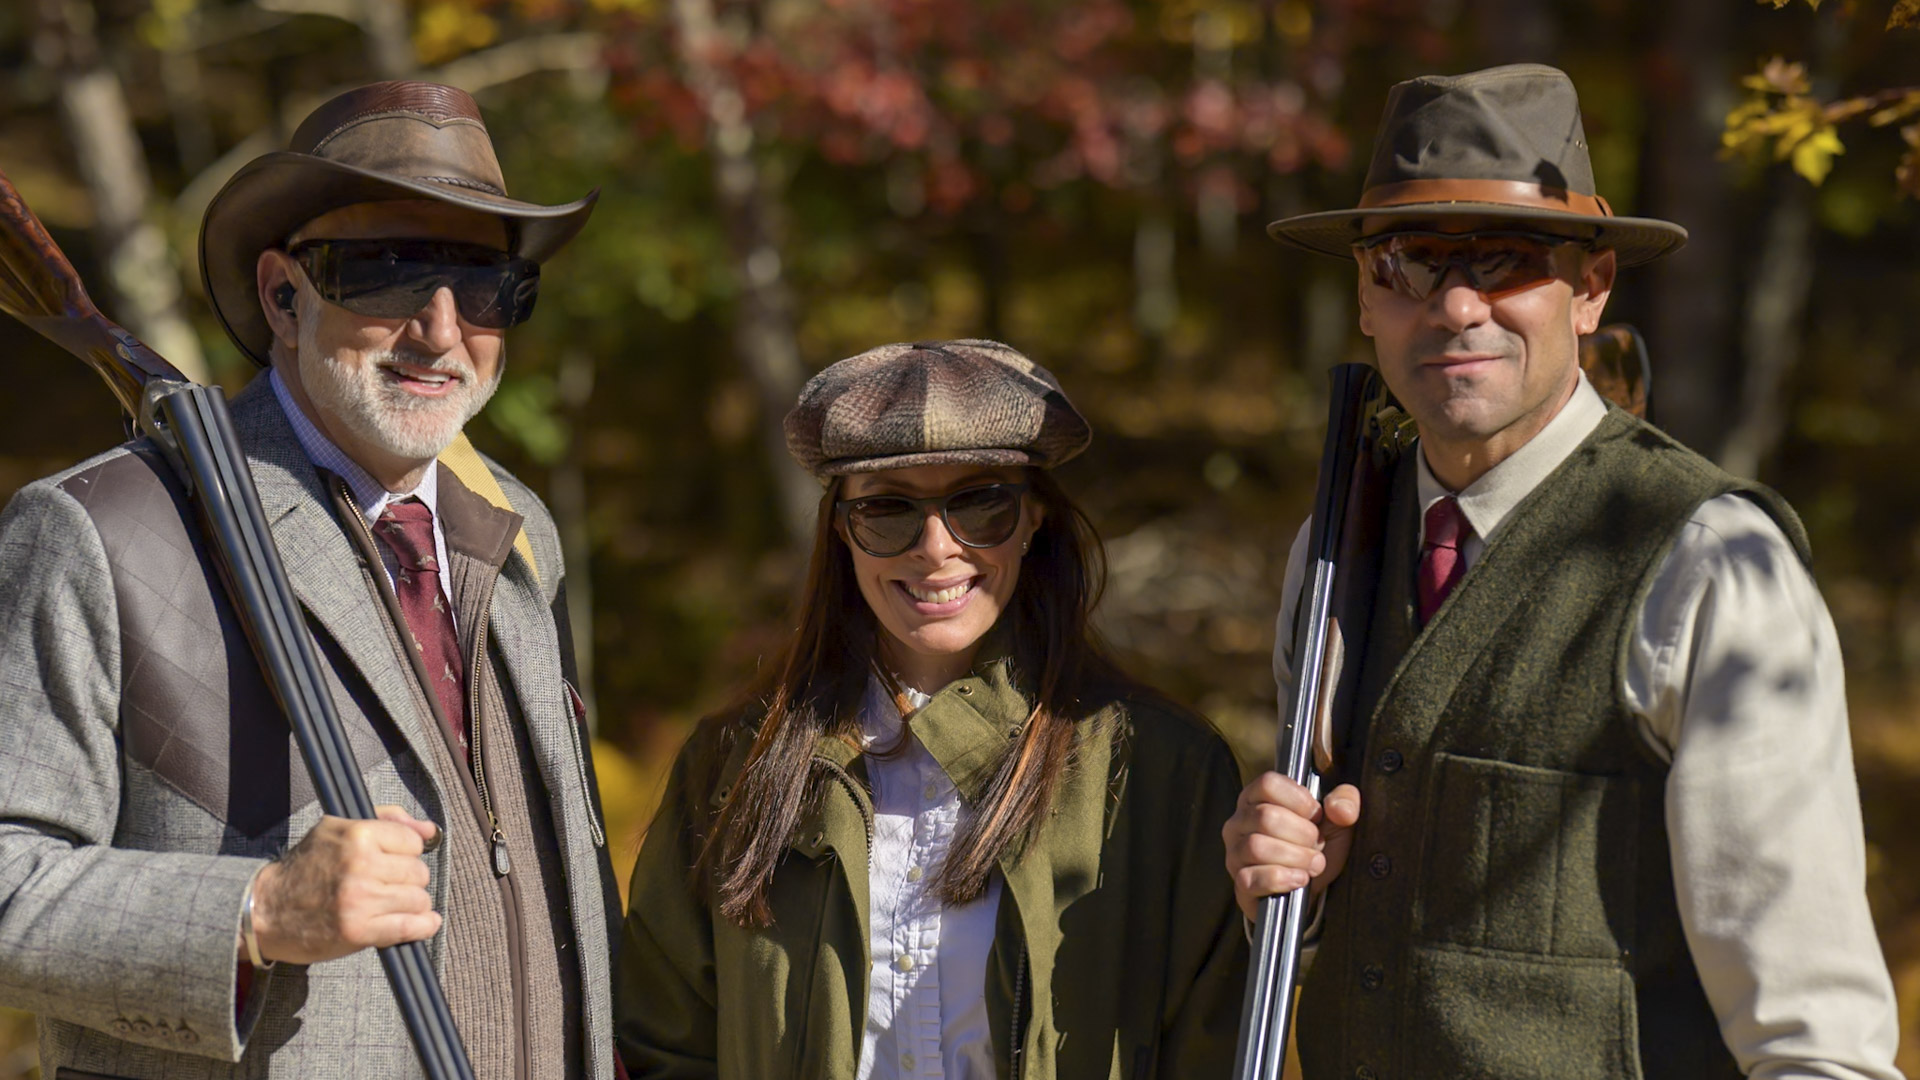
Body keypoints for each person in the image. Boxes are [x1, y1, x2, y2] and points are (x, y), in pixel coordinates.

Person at [1222, 64, 1905, 1080]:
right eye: (1408, 262)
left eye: (1505, 261)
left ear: (1590, 289)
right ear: (1367, 296)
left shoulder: (1713, 561)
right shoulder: (1338, 541)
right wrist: (1295, 889)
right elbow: (1352, 940)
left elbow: (1813, 1034)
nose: (1455, 305)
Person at [0, 81, 622, 1078]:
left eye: (487, 286)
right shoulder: (102, 528)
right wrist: (253, 912)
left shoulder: (519, 531)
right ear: (285, 295)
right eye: (387, 274)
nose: (441, 328)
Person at [615, 339, 1247, 1078]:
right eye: (888, 511)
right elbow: (663, 1043)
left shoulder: (1164, 769)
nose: (936, 548)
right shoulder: (730, 763)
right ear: (842, 530)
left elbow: (1215, 1047)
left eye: (981, 503)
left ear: (1036, 516)